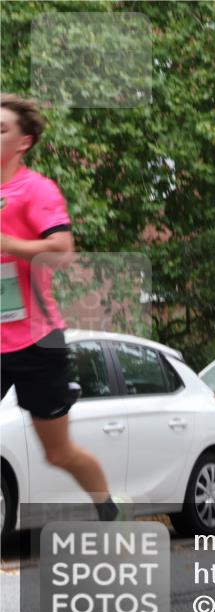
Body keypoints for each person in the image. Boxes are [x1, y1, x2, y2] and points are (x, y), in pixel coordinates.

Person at [0, 93, 124, 522]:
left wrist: (9, 244)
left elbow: (62, 250)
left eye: (1, 129)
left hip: (37, 340)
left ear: (23, 142)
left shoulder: (36, 190)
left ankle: (107, 509)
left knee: (58, 452)